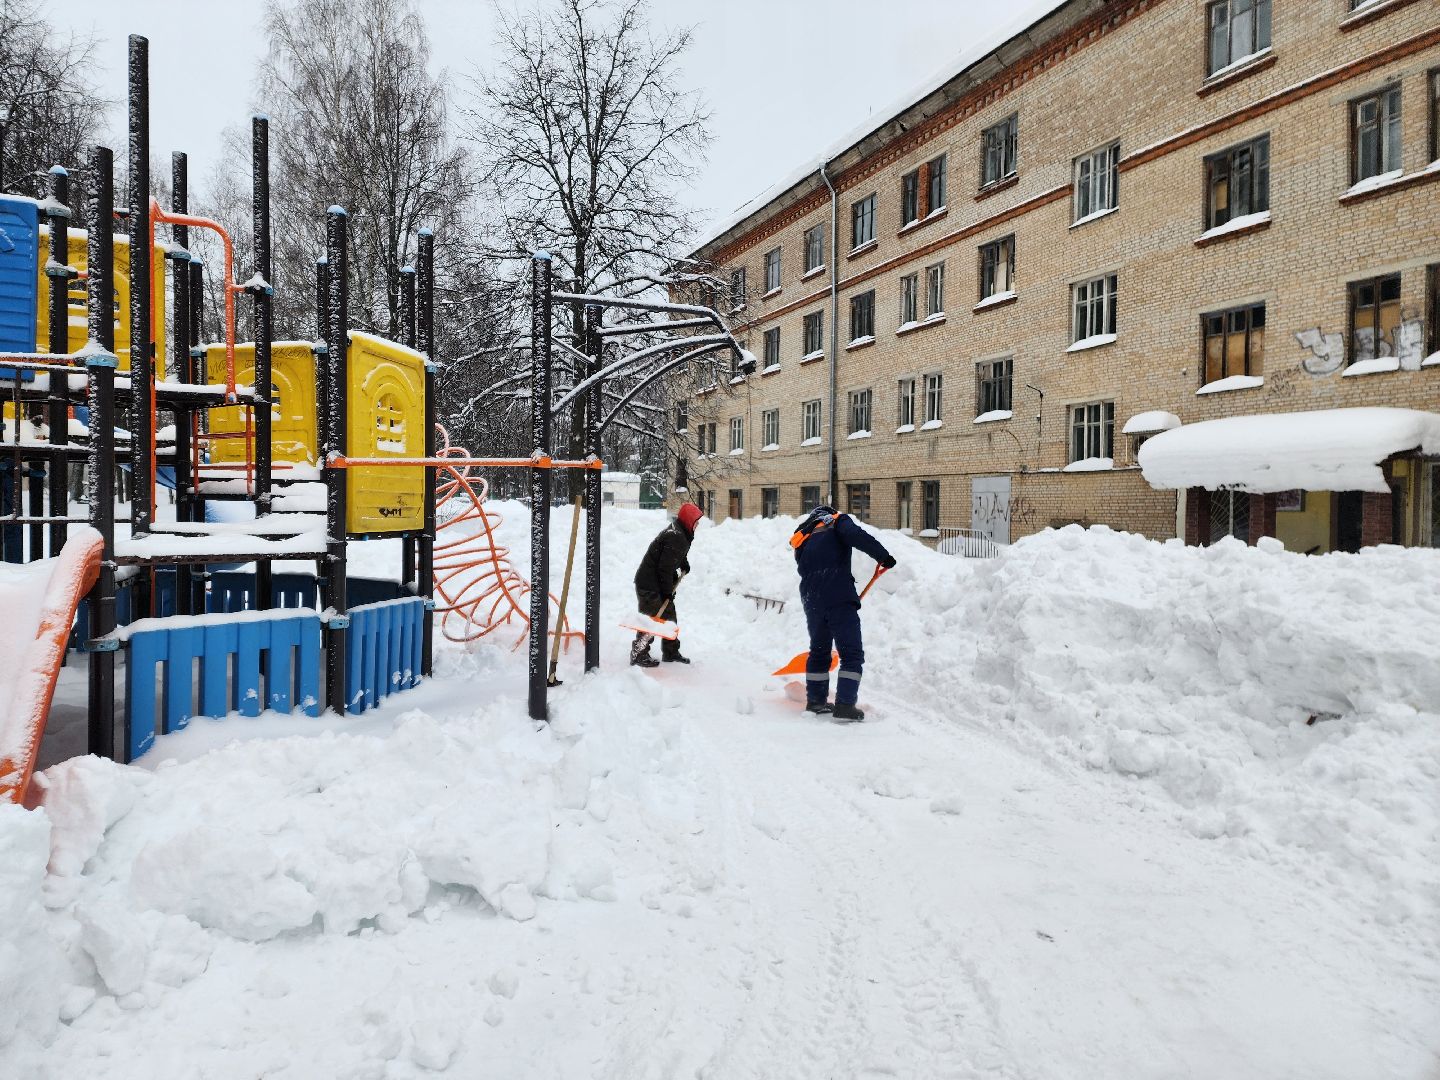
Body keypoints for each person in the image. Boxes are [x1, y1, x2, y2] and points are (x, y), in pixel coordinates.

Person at [791, 504, 896, 721]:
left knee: (819, 651)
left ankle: (816, 702)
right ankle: (845, 705)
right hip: (838, 594)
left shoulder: (802, 534)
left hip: (811, 598)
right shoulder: (837, 520)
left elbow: (810, 565)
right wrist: (883, 556)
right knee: (851, 653)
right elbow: (857, 536)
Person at [631, 501, 703, 667]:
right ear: (688, 520)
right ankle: (638, 653)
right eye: (696, 521)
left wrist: (683, 563)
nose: (697, 524)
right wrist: (666, 592)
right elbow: (664, 568)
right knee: (651, 618)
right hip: (649, 585)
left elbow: (674, 555)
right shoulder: (675, 536)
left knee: (669, 617)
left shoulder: (681, 532)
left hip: (658, 582)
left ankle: (671, 652)